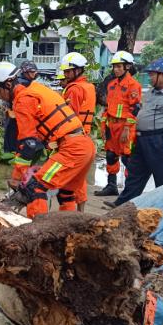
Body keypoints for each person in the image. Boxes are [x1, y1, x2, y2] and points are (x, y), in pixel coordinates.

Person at [0, 61, 95, 219]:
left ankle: (37, 231)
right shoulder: (37, 89)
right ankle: (68, 230)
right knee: (66, 193)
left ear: (8, 83)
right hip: (83, 145)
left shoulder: (23, 100)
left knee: (35, 187)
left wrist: (17, 178)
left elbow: (27, 144)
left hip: (72, 149)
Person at [106, 58, 163, 208]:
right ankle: (124, 204)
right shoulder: (151, 93)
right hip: (142, 140)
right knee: (135, 174)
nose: (150, 78)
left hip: (161, 141)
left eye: (152, 75)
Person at [95, 51, 142, 197]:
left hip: (125, 126)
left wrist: (127, 128)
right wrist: (103, 126)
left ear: (127, 67)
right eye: (114, 67)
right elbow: (108, 107)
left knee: (127, 158)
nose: (116, 69)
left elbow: (135, 108)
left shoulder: (133, 85)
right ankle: (111, 186)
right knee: (110, 155)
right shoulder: (112, 84)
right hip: (111, 125)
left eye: (119, 66)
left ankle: (130, 191)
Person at [59, 52, 97, 211]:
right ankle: (81, 210)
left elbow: (69, 115)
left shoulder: (74, 90)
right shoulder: (89, 87)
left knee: (70, 175)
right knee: (80, 176)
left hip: (73, 137)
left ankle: (69, 210)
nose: (65, 75)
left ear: (77, 70)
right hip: (85, 135)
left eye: (68, 72)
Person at [3, 61, 39, 153]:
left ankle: (10, 150)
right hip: (16, 111)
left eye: (34, 71)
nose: (34, 73)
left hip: (14, 110)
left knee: (12, 131)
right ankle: (13, 151)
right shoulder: (24, 83)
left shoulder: (22, 81)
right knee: (15, 132)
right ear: (25, 72)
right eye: (32, 72)